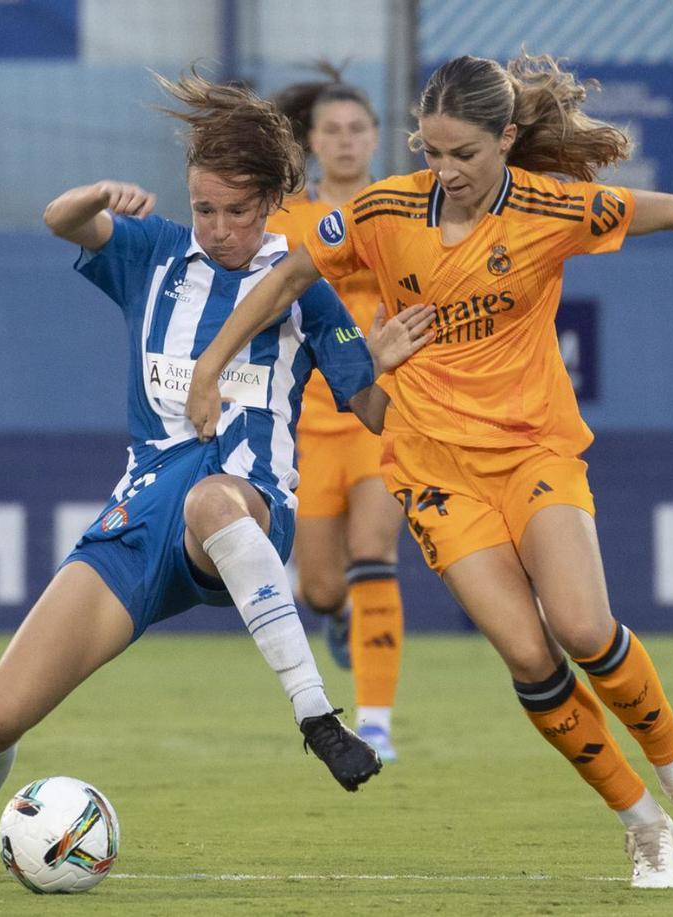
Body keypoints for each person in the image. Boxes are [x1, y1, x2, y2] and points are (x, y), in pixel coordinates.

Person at [186, 51, 673, 890]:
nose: (445, 171)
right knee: (530, 658)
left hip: (533, 452)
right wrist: (211, 365)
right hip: (430, 467)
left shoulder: (550, 207)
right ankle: (640, 821)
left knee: (583, 627)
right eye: (431, 152)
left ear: (508, 139)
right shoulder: (383, 213)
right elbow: (287, 279)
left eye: (464, 154)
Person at [0, 70, 436, 885]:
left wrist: (391, 368)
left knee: (214, 502)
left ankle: (318, 716)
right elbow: (60, 219)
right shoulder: (155, 254)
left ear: (277, 198)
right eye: (203, 207)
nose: (216, 228)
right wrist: (98, 193)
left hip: (243, 504)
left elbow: (376, 412)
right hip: (139, 521)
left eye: (235, 211)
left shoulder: (302, 286)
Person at [266, 68, 406, 762]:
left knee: (375, 553)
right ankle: (343, 614)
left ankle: (377, 721)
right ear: (313, 141)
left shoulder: (405, 208)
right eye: (333, 130)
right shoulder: (287, 219)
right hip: (307, 425)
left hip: (382, 414)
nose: (347, 141)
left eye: (358, 129)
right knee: (320, 586)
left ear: (377, 138)